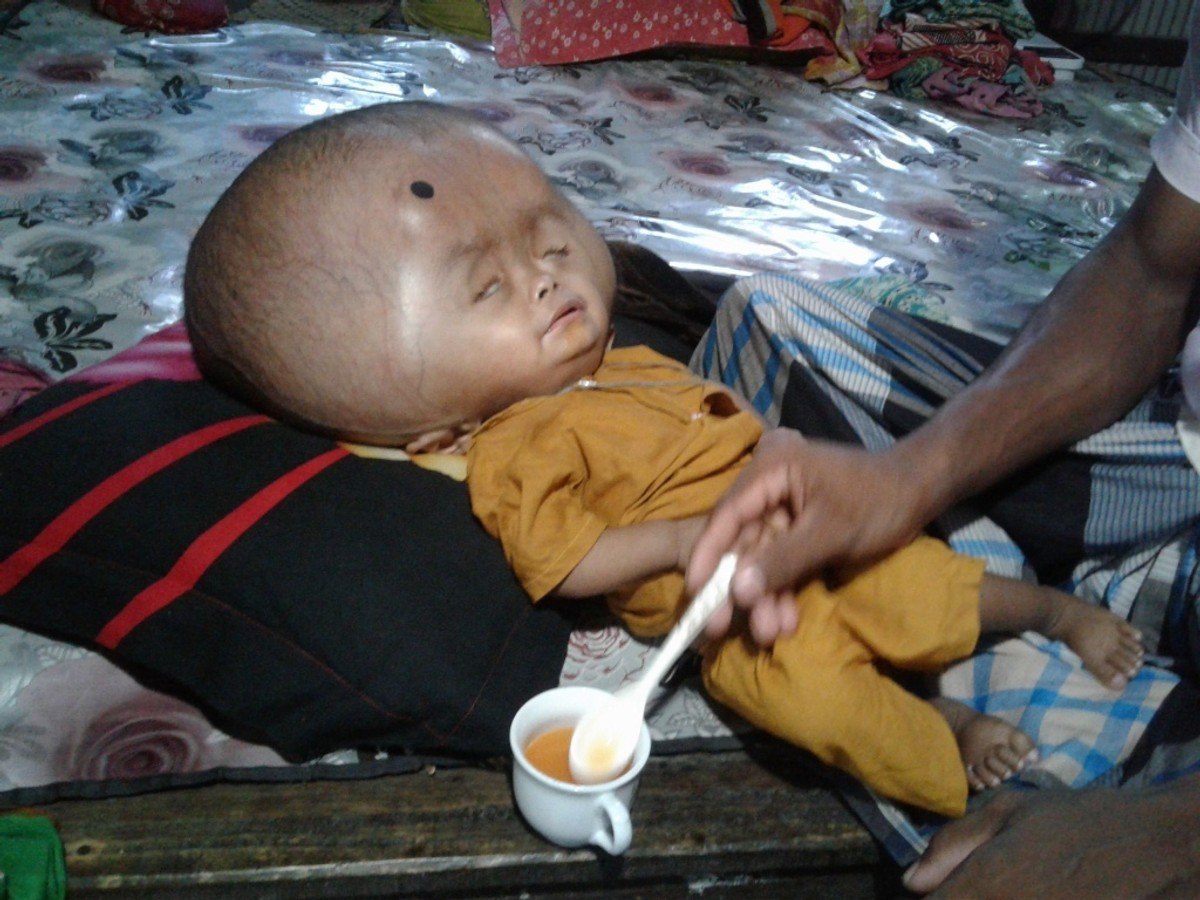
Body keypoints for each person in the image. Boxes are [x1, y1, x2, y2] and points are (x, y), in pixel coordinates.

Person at [183, 100, 1143, 819]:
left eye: (549, 234)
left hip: (799, 523)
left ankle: (1049, 611)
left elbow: (721, 412)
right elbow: (567, 563)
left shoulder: (619, 356)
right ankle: (949, 741)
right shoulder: (511, 450)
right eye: (487, 288)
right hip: (726, 615)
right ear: (431, 433)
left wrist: (779, 446)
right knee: (816, 702)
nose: (547, 274)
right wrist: (686, 540)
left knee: (918, 580)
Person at [687, 7, 1200, 896]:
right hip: (1172, 468)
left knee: (1023, 840)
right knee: (762, 319)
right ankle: (1044, 665)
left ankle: (1049, 741)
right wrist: (909, 478)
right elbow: (1155, 269)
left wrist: (1177, 835)